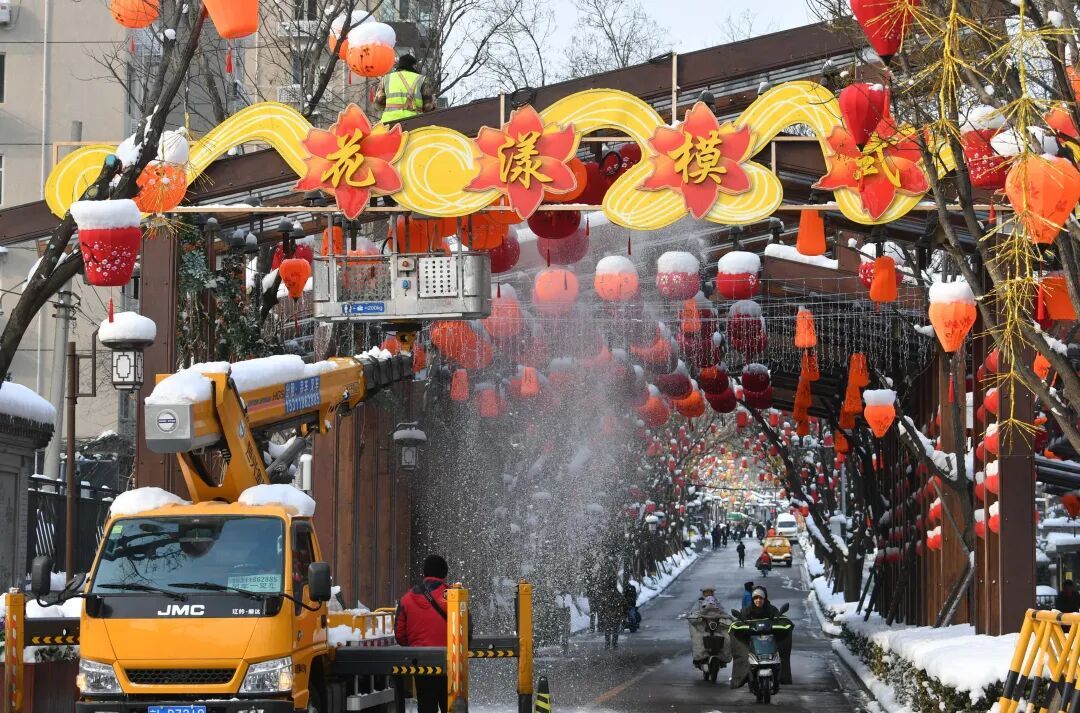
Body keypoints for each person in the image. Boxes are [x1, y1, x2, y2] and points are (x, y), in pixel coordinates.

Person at [395, 554, 451, 713]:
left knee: (426, 704)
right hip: (450, 661)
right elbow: (465, 629)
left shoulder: (407, 598)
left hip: (421, 662)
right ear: (444, 573)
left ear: (424, 573)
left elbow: (399, 635)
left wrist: (416, 646)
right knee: (452, 704)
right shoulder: (453, 596)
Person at [374, 53, 435, 123]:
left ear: (399, 65)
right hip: (415, 123)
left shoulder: (386, 79)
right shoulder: (422, 80)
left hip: (389, 124)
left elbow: (378, 105)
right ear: (414, 66)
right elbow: (429, 107)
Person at [597, 577, 627, 649]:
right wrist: (623, 614)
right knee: (615, 630)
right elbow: (625, 604)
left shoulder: (605, 596)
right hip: (616, 615)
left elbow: (601, 606)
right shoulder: (618, 595)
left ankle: (607, 645)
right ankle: (614, 644)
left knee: (607, 631)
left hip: (608, 616)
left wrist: (601, 615)